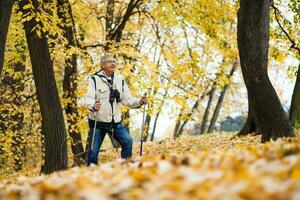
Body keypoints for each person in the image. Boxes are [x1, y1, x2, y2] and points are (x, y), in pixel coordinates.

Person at [84, 54, 148, 166]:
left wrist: (140, 101)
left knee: (128, 141)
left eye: (114, 61)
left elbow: (128, 99)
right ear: (103, 64)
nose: (113, 63)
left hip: (115, 122)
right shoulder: (94, 80)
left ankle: (125, 167)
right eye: (110, 61)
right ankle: (90, 173)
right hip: (98, 122)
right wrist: (94, 106)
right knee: (93, 152)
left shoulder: (120, 80)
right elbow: (88, 99)